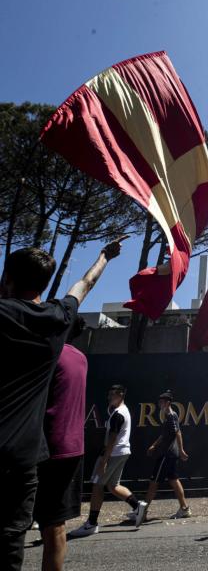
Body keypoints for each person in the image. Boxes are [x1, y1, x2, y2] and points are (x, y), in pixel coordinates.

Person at [0, 239, 125, 571]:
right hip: (24, 458)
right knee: (12, 539)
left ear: (7, 279)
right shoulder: (58, 320)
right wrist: (104, 257)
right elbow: (84, 285)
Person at [33, 316, 87, 571]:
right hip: (72, 447)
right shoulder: (80, 358)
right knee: (56, 526)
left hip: (45, 448)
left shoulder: (48, 355)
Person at [70, 385, 147, 536]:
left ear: (121, 394)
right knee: (113, 485)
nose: (109, 397)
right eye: (109, 394)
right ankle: (138, 506)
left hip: (112, 453)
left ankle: (91, 524)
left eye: (112, 395)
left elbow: (112, 438)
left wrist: (104, 461)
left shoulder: (118, 414)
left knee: (98, 486)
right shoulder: (123, 410)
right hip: (123, 452)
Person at [135, 391, 191, 521]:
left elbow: (178, 433)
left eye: (162, 402)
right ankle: (184, 509)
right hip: (169, 454)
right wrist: (154, 445)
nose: (160, 404)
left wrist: (181, 450)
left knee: (153, 483)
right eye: (159, 401)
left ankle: (142, 512)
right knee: (174, 480)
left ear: (168, 403)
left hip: (167, 454)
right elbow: (164, 435)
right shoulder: (168, 416)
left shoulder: (171, 416)